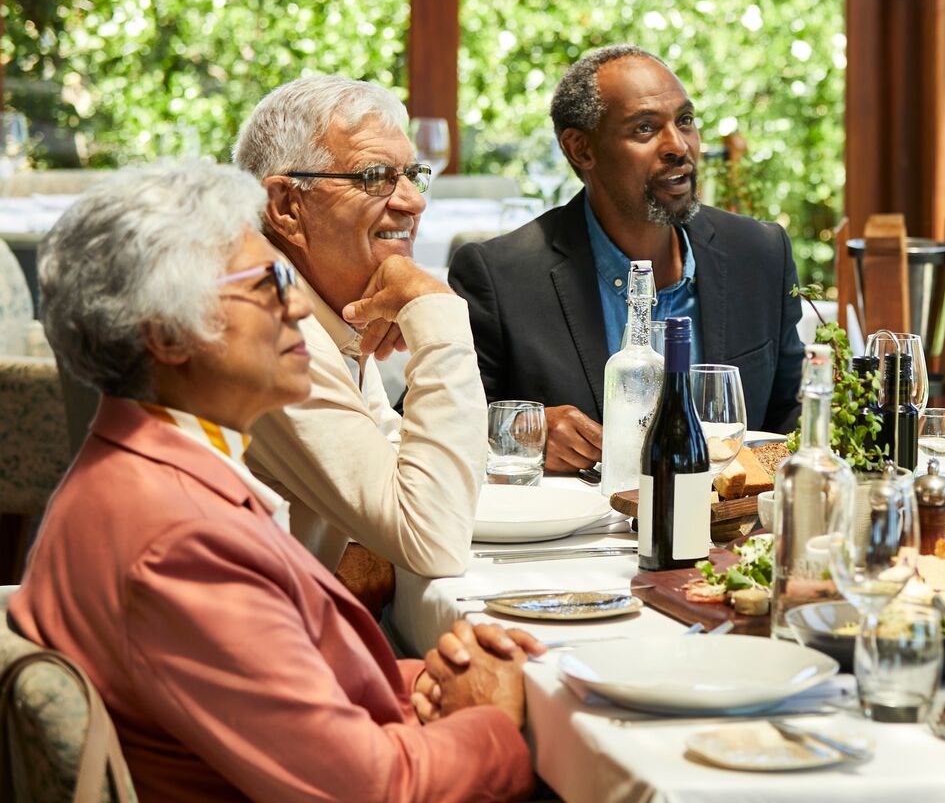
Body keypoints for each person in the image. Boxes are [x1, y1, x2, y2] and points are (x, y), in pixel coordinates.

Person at [11, 162, 537, 801]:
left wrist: (431, 679)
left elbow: (271, 687)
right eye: (267, 283)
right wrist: (495, 726)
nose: (297, 307)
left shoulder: (153, 466)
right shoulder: (177, 539)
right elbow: (371, 789)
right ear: (168, 336)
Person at [450, 45, 804, 470]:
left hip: (729, 530)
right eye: (645, 129)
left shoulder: (759, 253)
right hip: (577, 531)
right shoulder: (501, 276)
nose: (678, 146)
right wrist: (527, 430)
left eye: (685, 121)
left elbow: (792, 411)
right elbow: (425, 425)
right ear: (581, 149)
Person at [232, 76, 485, 599]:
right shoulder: (268, 323)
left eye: (413, 175)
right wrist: (435, 308)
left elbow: (392, 458)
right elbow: (432, 539)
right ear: (285, 206)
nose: (412, 202)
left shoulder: (317, 297)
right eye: (376, 176)